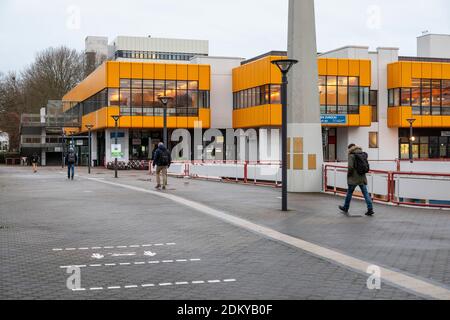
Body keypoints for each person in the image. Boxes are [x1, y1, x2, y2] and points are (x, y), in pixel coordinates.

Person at [339, 144, 375, 217]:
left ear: (349, 149)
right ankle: (370, 209)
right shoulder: (362, 154)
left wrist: (348, 175)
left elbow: (350, 167)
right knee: (365, 194)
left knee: (349, 193)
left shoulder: (351, 155)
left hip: (353, 178)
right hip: (362, 177)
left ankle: (346, 207)